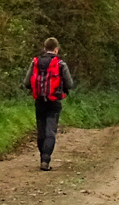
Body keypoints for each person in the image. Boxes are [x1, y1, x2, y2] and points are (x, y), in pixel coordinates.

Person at [24, 37, 74, 171]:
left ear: (44, 48)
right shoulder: (60, 64)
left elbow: (27, 83)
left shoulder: (35, 63)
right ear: (56, 49)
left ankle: (42, 156)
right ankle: (45, 160)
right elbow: (70, 84)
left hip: (39, 101)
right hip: (54, 101)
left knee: (41, 131)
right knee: (50, 131)